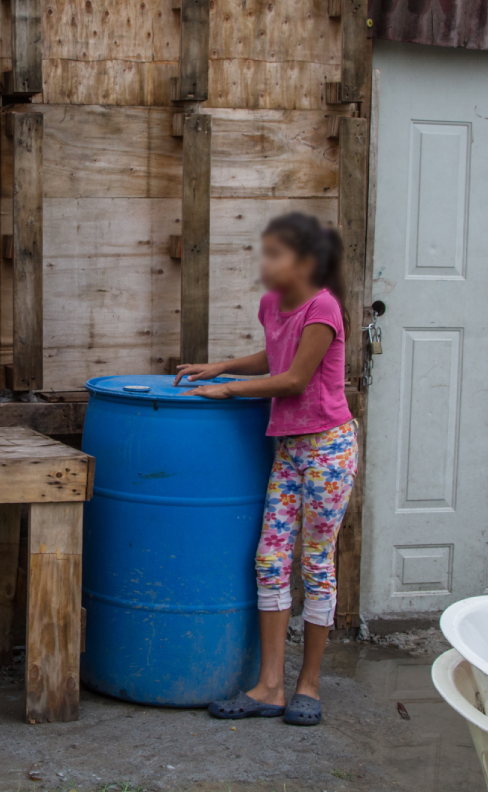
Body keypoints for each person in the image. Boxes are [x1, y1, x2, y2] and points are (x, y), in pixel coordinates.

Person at [174, 213, 356, 728]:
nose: (265, 265)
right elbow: (275, 355)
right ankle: (270, 687)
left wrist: (228, 389)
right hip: (289, 451)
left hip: (327, 451)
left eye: (275, 255)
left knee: (316, 565)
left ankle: (309, 686)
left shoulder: (323, 307)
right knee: (270, 562)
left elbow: (296, 378)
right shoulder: (272, 304)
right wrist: (221, 366)